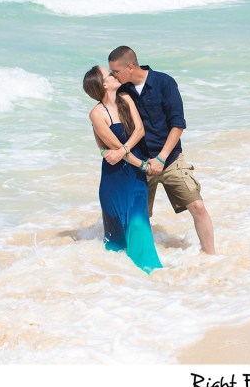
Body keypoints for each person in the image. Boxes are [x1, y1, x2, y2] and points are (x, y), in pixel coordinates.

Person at [107, 46, 215, 255]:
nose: (114, 75)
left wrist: (162, 158)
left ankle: (211, 257)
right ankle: (135, 260)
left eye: (116, 72)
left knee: (198, 207)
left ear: (130, 67)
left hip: (170, 158)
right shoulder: (122, 91)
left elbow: (178, 124)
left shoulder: (164, 82)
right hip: (139, 163)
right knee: (137, 217)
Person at [82, 65, 162, 274]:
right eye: (109, 74)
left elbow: (140, 130)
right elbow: (113, 147)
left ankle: (151, 274)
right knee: (116, 239)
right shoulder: (97, 114)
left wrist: (125, 151)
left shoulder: (126, 99)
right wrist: (142, 165)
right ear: (104, 84)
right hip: (115, 179)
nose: (114, 74)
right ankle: (121, 283)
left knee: (138, 224)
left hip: (134, 176)